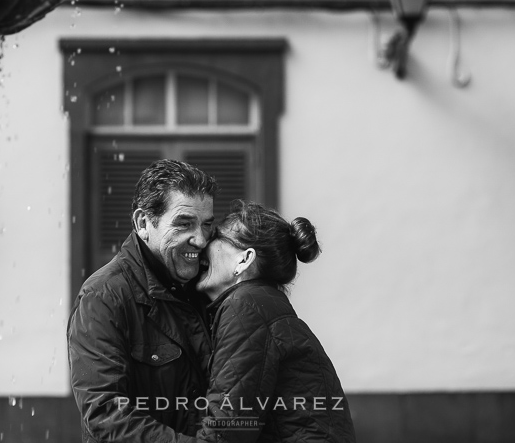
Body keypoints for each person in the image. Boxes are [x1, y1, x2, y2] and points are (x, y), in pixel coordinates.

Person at [68, 159, 218, 443]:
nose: (200, 240)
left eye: (207, 225)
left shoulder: (209, 285)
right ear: (143, 223)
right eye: (184, 224)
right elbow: (105, 413)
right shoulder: (103, 297)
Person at [195, 201, 356, 443]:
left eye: (216, 236)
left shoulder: (246, 306)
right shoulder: (263, 305)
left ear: (244, 260)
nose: (203, 244)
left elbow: (227, 430)